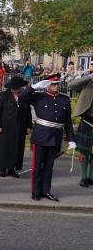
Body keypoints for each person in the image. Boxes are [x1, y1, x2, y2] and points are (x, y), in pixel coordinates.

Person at [20, 73, 75, 202]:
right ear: (46, 85)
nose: (56, 86)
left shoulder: (64, 99)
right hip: (41, 135)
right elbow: (22, 97)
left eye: (57, 84)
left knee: (49, 167)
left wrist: (71, 139)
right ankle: (36, 191)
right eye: (53, 84)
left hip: (56, 136)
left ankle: (46, 191)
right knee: (38, 166)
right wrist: (34, 87)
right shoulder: (39, 96)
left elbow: (67, 120)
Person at [0, 76, 32, 178]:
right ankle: (3, 168)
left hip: (19, 126)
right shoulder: (4, 95)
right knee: (5, 147)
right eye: (14, 88)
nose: (16, 90)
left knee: (16, 147)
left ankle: (12, 168)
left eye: (18, 88)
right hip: (6, 126)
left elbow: (28, 112)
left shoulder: (24, 96)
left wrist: (28, 125)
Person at [68, 63, 93, 188]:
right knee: (84, 151)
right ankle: (84, 177)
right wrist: (89, 77)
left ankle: (91, 177)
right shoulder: (87, 80)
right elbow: (70, 85)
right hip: (87, 119)